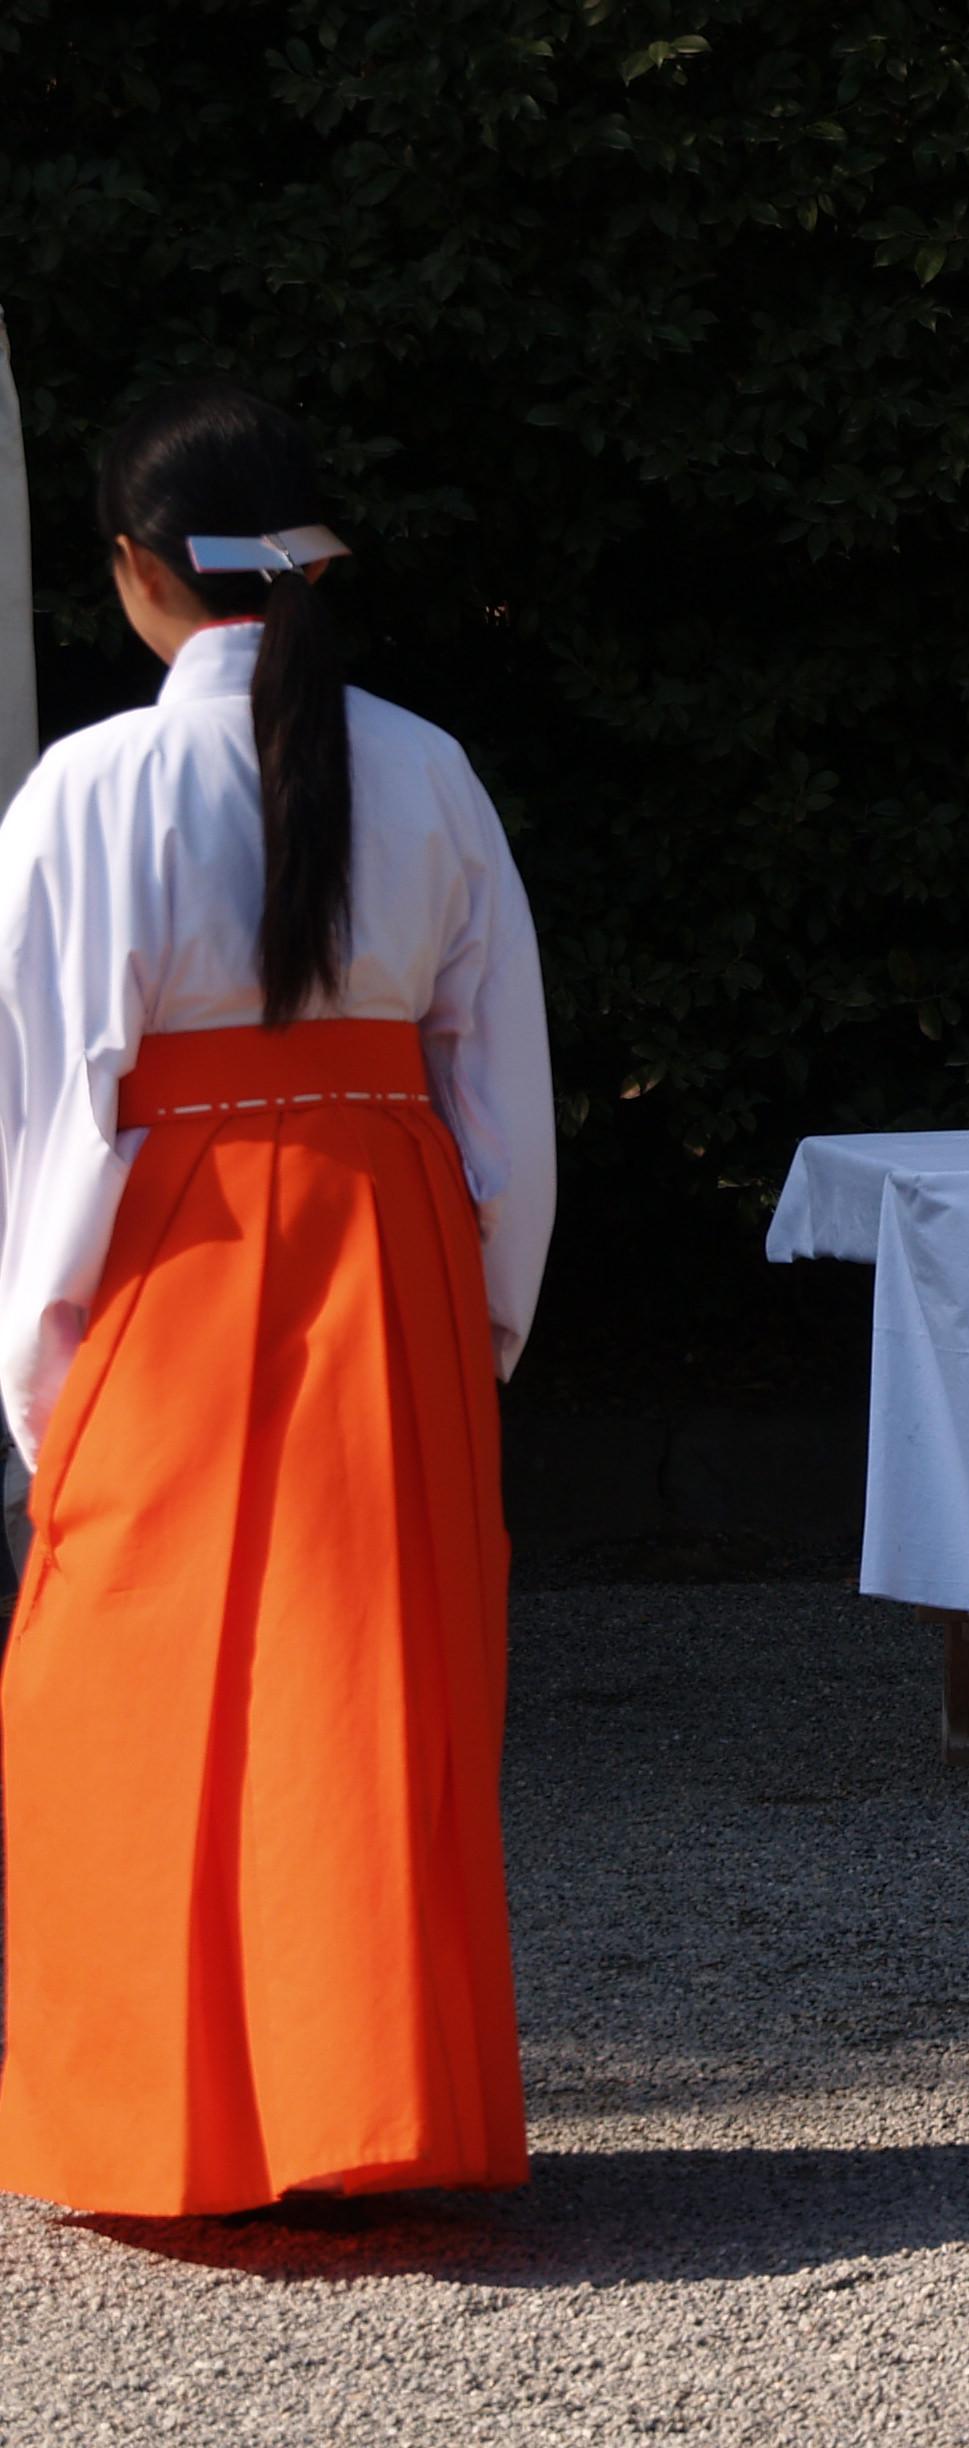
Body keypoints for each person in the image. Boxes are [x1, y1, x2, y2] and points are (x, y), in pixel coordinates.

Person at [0, 383, 553, 2217]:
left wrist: (36, 1375)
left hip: (168, 1245)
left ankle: (167, 2130)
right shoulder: (430, 770)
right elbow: (500, 1085)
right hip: (389, 1235)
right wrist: (484, 1316)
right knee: (371, 1684)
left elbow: (39, 1106)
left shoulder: (86, 791)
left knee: (130, 1680)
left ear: (137, 572)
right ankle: (382, 2103)